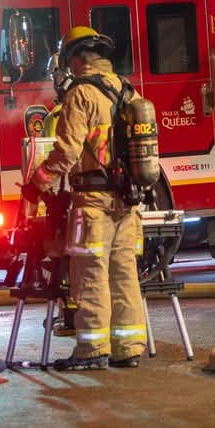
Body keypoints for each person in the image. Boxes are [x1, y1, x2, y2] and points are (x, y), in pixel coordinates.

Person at [37, 27, 149, 370]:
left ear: (75, 58)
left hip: (93, 200)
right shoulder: (127, 90)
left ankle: (92, 351)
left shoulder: (81, 94)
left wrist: (39, 181)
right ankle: (128, 347)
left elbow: (68, 150)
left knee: (90, 274)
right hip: (127, 199)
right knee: (124, 272)